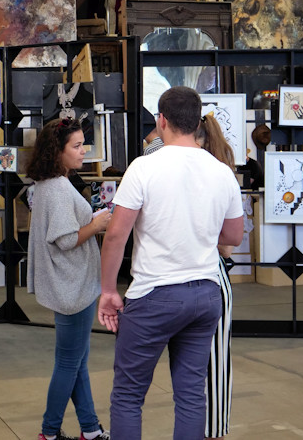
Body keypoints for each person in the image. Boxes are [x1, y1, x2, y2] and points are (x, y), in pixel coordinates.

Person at [98, 86, 244, 440]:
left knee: (129, 395)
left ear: (161, 121)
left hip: (155, 296)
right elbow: (233, 237)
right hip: (206, 294)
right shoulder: (221, 171)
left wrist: (107, 291)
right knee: (192, 394)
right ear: (197, 123)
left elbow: (116, 235)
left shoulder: (144, 168)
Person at [144, 111, 239, 439]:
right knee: (210, 378)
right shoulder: (219, 171)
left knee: (179, 382)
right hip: (209, 278)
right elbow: (230, 244)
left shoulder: (157, 157)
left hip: (166, 281)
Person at [25, 117, 113, 440]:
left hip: (70, 286)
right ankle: (49, 432)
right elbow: (65, 239)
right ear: (57, 151)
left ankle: (90, 429)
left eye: (82, 144)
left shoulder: (48, 183)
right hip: (72, 287)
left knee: (76, 361)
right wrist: (98, 223)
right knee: (69, 362)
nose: (82, 151)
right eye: (75, 146)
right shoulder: (59, 187)